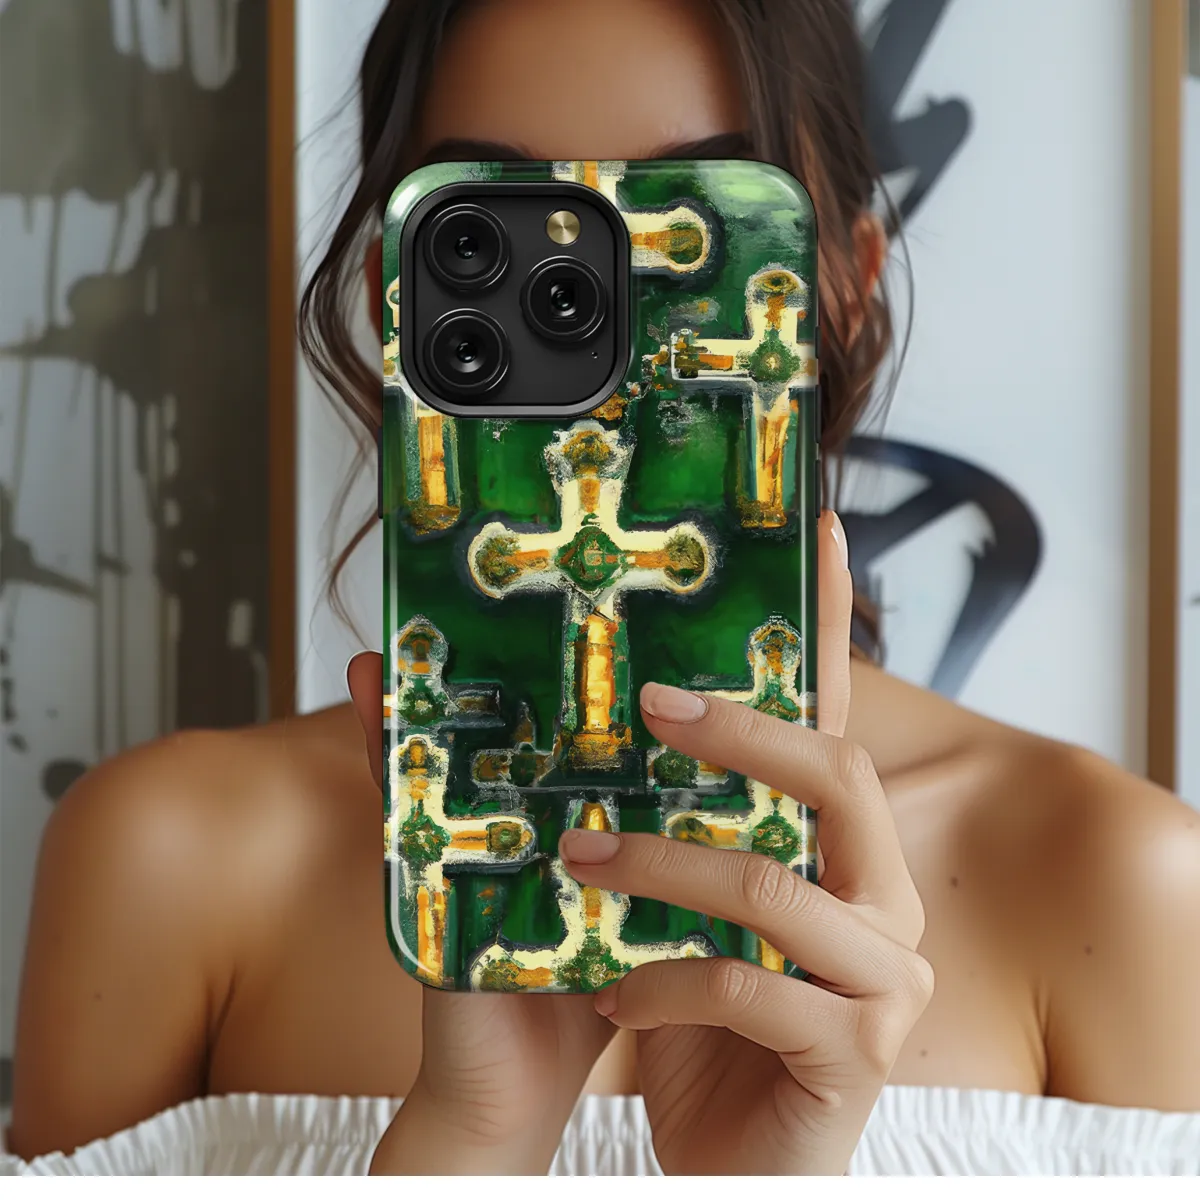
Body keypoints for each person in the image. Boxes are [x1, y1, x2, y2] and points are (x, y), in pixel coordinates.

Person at [6, 0, 1200, 1177]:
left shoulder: (1116, 883)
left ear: (841, 285)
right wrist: (474, 1141)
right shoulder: (170, 863)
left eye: (695, 224)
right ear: (394, 297)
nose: (608, 321)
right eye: (496, 230)